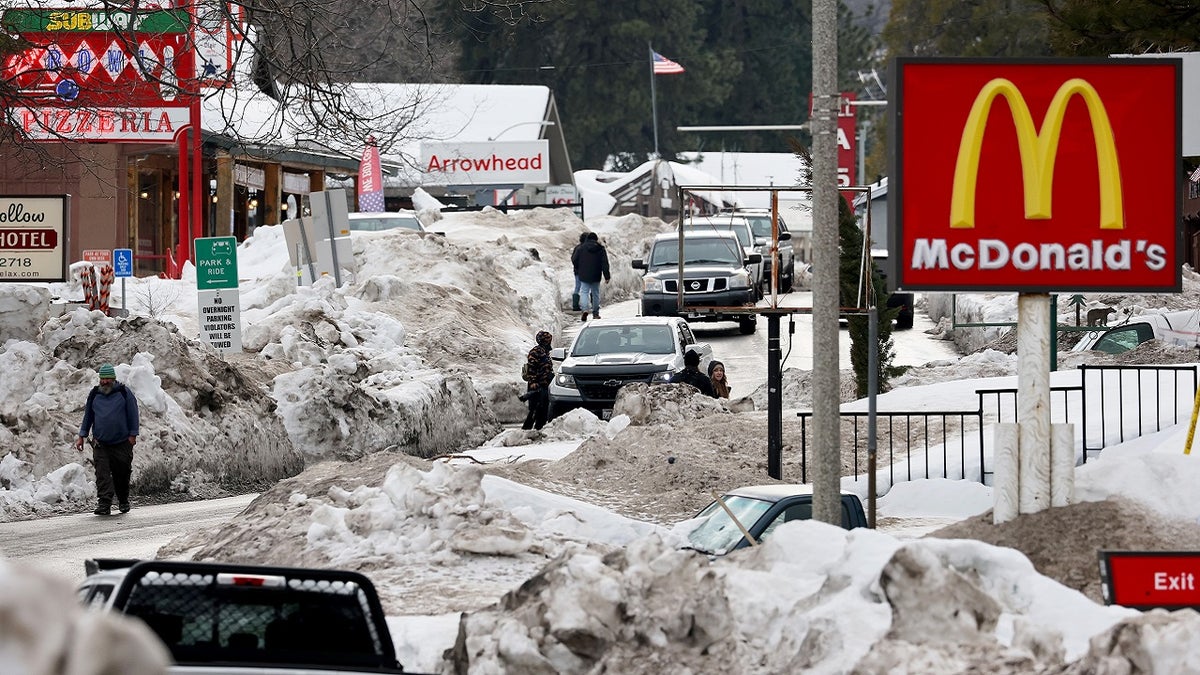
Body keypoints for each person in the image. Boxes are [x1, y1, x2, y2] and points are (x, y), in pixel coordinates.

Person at [75, 363, 140, 515]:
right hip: (101, 442)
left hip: (122, 442)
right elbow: (88, 416)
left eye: (107, 378)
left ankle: (123, 500)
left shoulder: (124, 393)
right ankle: (104, 503)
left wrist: (133, 435)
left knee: (122, 473)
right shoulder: (94, 394)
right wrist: (82, 436)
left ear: (113, 378)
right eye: (102, 378)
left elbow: (133, 414)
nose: (104, 381)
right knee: (102, 473)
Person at [571, 232, 610, 321]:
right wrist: (607, 276)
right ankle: (595, 313)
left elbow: (574, 260)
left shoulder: (581, 248)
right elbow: (605, 263)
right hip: (596, 274)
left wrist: (579, 268)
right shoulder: (600, 248)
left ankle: (585, 310)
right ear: (596, 239)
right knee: (595, 293)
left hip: (584, 274)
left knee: (584, 291)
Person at [521, 331, 554, 430]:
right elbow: (531, 368)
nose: (549, 342)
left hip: (544, 385)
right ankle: (526, 430)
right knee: (534, 410)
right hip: (537, 385)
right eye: (547, 340)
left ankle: (539, 429)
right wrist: (533, 382)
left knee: (543, 410)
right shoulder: (536, 351)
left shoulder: (544, 352)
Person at [571, 232, 587, 312]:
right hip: (585, 271)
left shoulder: (577, 247)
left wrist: (577, 267)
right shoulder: (586, 248)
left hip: (577, 271)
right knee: (588, 287)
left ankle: (575, 305)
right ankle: (589, 304)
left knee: (577, 287)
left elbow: (573, 259)